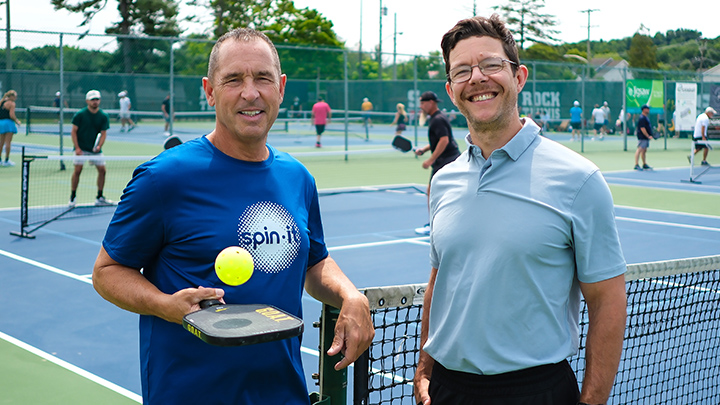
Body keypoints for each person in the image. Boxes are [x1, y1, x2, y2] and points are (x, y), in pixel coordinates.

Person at [91, 28, 374, 405]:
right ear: (209, 90)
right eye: (234, 79)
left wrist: (350, 295)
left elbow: (315, 263)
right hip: (189, 395)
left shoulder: (297, 178)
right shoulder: (164, 178)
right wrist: (165, 305)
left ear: (281, 87)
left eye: (262, 78)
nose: (250, 92)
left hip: (282, 393)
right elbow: (107, 272)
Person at [413, 15, 627, 405]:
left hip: (536, 392)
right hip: (447, 390)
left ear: (519, 77)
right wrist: (425, 367)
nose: (477, 78)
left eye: (491, 64)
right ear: (450, 89)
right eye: (462, 71)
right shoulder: (442, 181)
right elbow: (440, 278)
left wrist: (592, 401)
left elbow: (607, 299)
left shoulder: (580, 180)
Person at [413, 91, 460, 236]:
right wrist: (425, 149)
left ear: (431, 103)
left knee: (431, 191)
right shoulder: (437, 118)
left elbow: (444, 140)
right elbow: (439, 139)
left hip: (446, 160)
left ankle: (433, 225)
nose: (421, 106)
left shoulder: (437, 119)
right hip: (449, 159)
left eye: (422, 103)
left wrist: (430, 160)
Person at [69, 90, 113, 207]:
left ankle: (99, 197)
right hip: (81, 148)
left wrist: (99, 146)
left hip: (95, 150)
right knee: (77, 170)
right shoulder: (80, 114)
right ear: (87, 101)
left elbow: (103, 133)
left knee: (102, 170)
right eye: (93, 99)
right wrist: (77, 148)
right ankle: (73, 196)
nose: (95, 102)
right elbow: (74, 132)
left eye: (97, 99)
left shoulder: (103, 116)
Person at [0, 90, 21, 167]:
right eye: (15, 96)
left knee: (1, 142)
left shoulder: (1, 102)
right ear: (11, 96)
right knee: (8, 142)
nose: (16, 98)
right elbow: (11, 115)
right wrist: (17, 121)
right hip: (8, 123)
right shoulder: (12, 104)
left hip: (1, 123)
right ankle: (6, 160)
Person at [634, 104, 654, 170]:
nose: (648, 110)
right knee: (639, 149)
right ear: (644, 109)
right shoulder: (642, 118)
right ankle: (636, 164)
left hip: (645, 137)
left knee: (644, 150)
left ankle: (644, 164)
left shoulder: (646, 117)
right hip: (642, 136)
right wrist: (647, 136)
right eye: (647, 109)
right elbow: (642, 128)